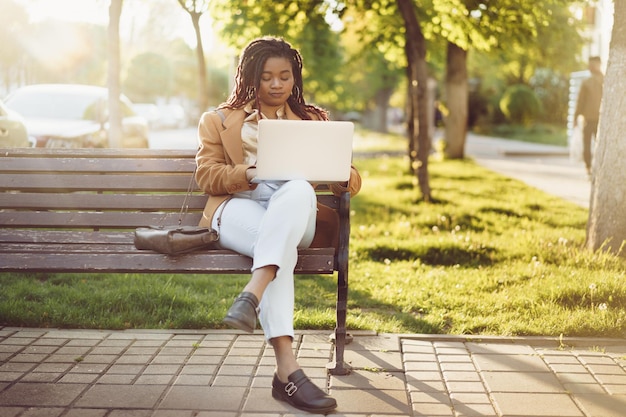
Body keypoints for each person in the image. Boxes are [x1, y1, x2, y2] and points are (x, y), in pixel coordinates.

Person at [194, 36, 362, 414]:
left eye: (284, 77)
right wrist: (248, 172)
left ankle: (252, 292)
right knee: (278, 250)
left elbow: (350, 180)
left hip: (295, 209)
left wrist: (336, 170)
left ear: (294, 78)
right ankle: (288, 371)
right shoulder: (219, 120)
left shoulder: (314, 121)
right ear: (251, 77)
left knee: (299, 188)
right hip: (238, 208)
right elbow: (207, 176)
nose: (275, 84)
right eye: (267, 76)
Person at [574, 56, 604, 176]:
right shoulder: (587, 82)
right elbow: (580, 101)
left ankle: (593, 167)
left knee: (598, 144)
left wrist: (576, 117)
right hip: (589, 119)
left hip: (600, 120)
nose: (590, 67)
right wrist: (576, 117)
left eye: (592, 64)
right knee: (587, 145)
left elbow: (580, 102)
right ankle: (589, 167)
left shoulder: (606, 80)